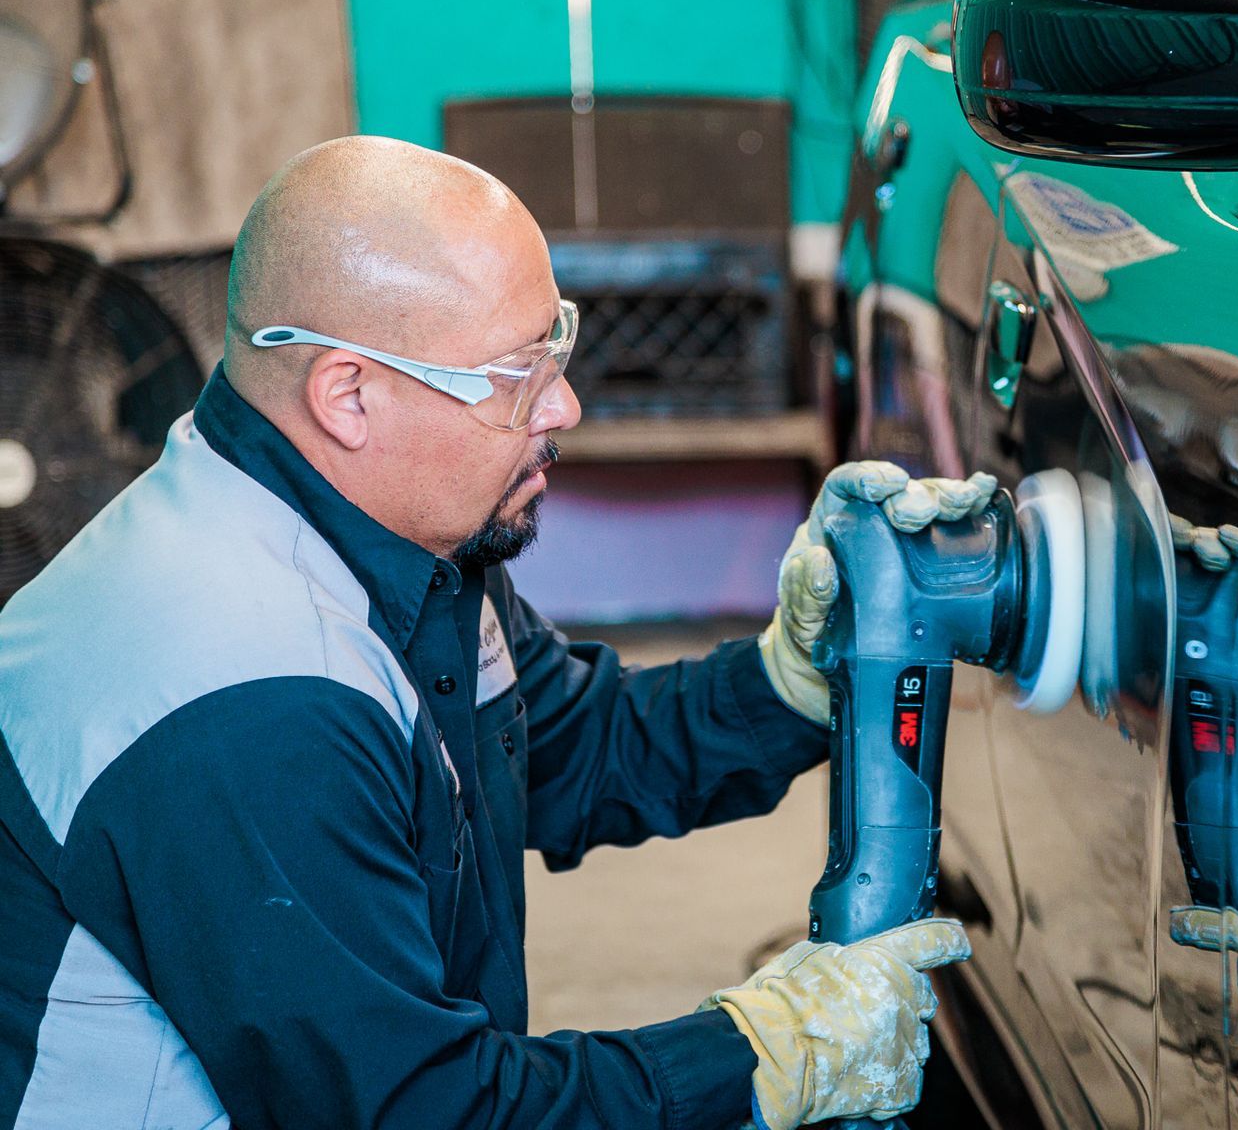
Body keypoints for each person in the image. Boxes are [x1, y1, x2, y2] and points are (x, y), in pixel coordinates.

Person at [0, 136, 995, 1130]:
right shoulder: (245, 694)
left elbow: (582, 748)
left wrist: (794, 676)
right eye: (515, 374)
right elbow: (423, 1112)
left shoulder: (381, 532)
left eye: (553, 346)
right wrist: (759, 1053)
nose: (563, 404)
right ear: (348, 394)